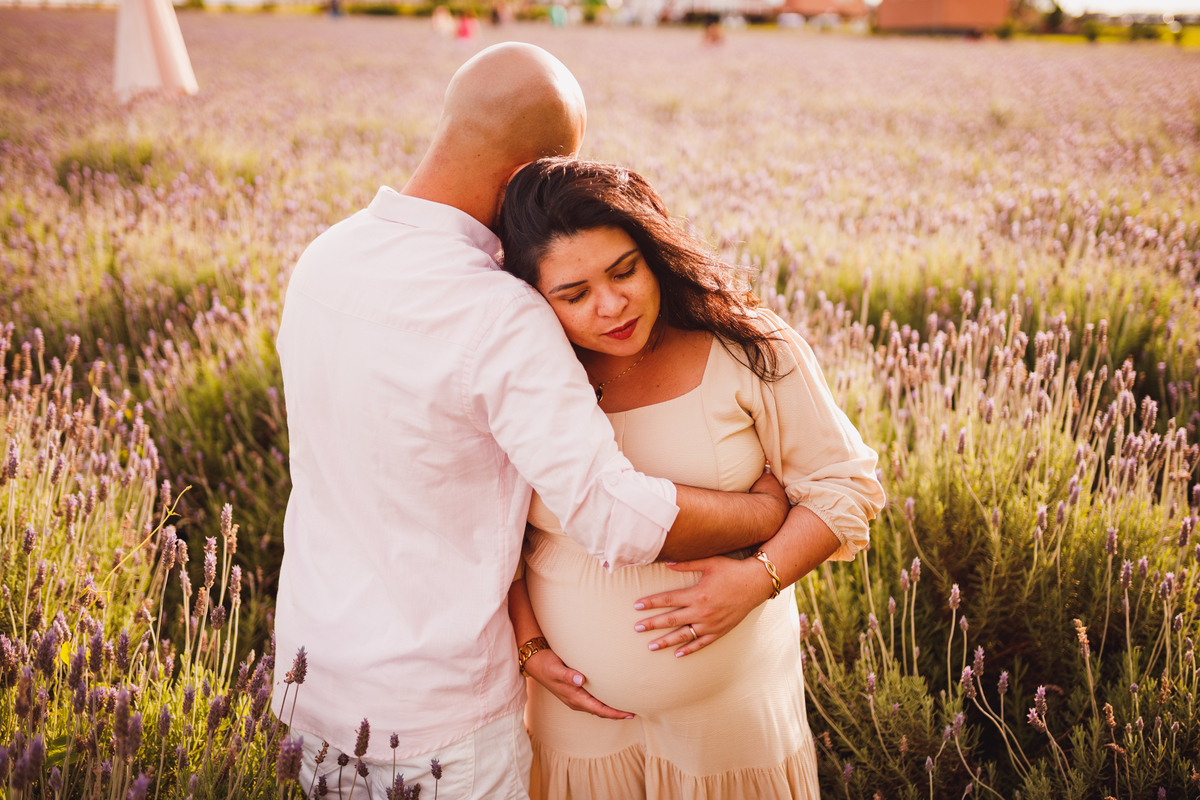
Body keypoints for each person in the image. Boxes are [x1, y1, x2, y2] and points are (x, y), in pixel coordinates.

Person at [272, 44, 791, 800]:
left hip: (308, 688)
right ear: (526, 181)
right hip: (442, 726)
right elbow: (612, 517)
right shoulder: (499, 313)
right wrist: (764, 511)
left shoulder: (325, 257)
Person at [497, 158, 886, 799]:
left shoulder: (748, 346)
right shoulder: (528, 381)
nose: (611, 304)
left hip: (728, 724)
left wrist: (756, 580)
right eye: (574, 294)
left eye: (624, 271)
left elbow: (845, 485)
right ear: (533, 299)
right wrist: (529, 646)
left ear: (656, 255)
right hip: (577, 724)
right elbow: (491, 526)